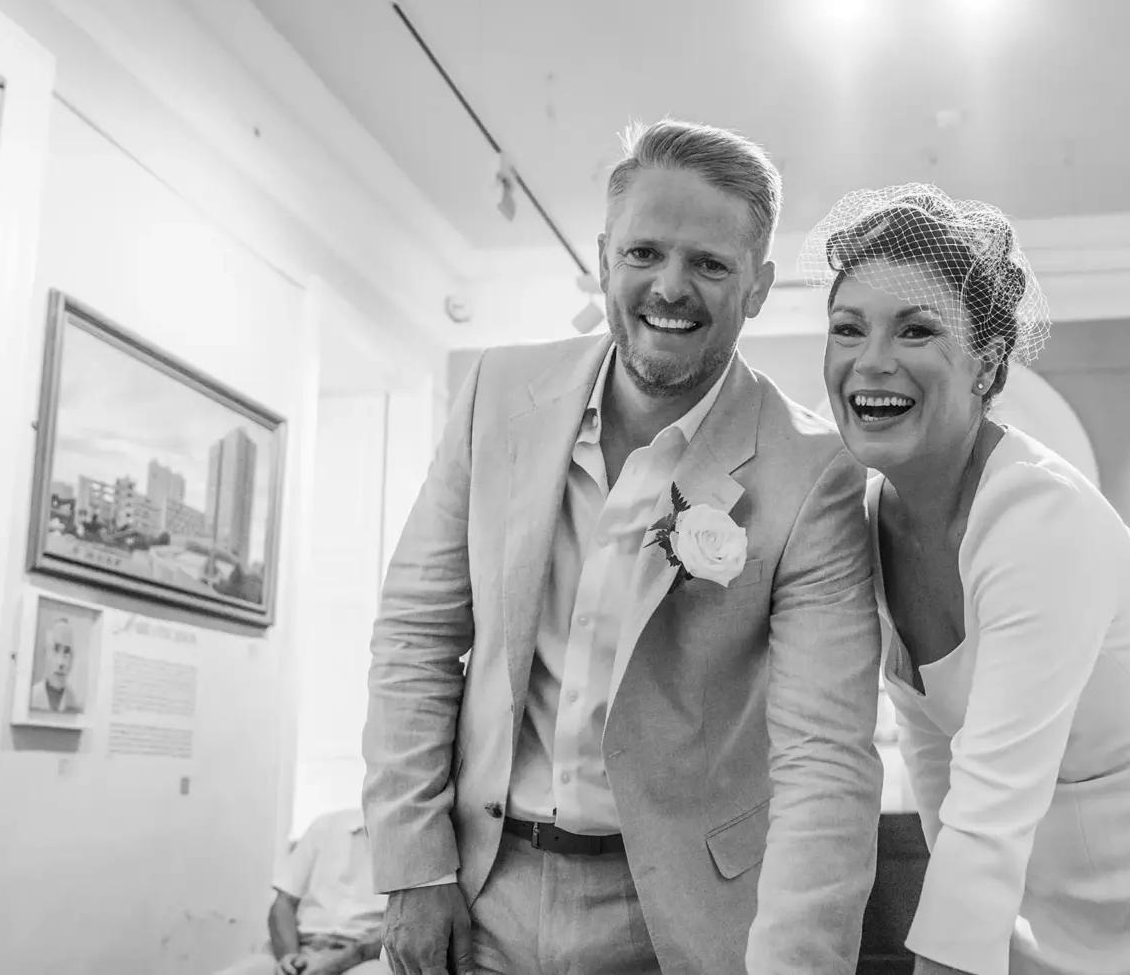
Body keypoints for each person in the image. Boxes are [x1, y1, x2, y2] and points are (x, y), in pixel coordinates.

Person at [364, 120, 884, 975]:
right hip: (481, 892)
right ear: (605, 256)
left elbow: (825, 758)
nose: (669, 288)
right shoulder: (496, 394)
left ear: (757, 287)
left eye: (711, 264)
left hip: (682, 920)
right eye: (644, 253)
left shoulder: (816, 472)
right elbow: (416, 641)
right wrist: (414, 868)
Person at [805, 183, 1130, 975]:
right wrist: (981, 945)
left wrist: (948, 961)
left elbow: (995, 797)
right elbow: (939, 763)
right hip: (1066, 928)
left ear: (988, 364)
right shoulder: (868, 516)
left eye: (916, 330)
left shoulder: (1037, 516)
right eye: (848, 328)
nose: (872, 361)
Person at [214, 808, 386, 975]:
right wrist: (289, 957)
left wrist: (336, 962)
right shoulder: (326, 826)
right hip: (298, 947)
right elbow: (283, 903)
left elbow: (399, 928)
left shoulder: (410, 844)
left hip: (364, 957)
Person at [27, 616, 83, 714]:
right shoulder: (30, 696)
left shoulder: (76, 703)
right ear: (45, 653)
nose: (61, 662)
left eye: (67, 652)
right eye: (56, 649)